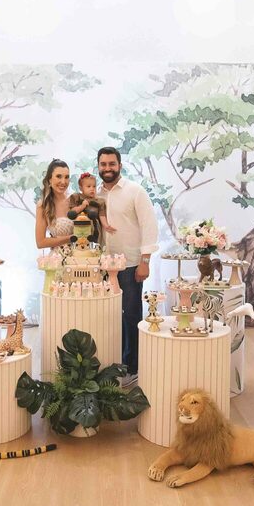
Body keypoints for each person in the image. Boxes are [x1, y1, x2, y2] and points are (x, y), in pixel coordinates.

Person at [96, 147, 158, 386]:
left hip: (130, 266)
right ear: (98, 166)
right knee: (107, 317)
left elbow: (149, 226)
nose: (107, 168)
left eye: (112, 164)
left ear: (120, 165)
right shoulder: (95, 194)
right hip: (102, 267)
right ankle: (111, 363)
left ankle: (132, 368)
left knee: (130, 315)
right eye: (103, 164)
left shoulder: (135, 191)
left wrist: (145, 262)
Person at [35, 159, 75, 251]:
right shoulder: (43, 205)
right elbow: (40, 242)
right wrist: (71, 238)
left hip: (79, 256)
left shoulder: (75, 200)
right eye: (58, 176)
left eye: (66, 177)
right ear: (49, 179)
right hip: (57, 257)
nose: (63, 182)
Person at [68, 173, 115, 244]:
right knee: (80, 243)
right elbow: (72, 212)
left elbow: (102, 215)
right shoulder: (77, 197)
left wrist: (105, 225)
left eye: (94, 186)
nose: (92, 189)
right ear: (81, 188)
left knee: (93, 243)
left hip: (94, 226)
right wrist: (82, 206)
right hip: (80, 225)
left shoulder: (99, 201)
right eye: (88, 186)